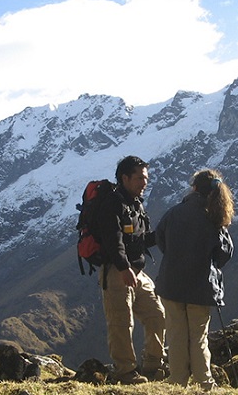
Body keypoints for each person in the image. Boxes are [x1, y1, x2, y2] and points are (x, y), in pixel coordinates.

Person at [155, 169, 235, 391]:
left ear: (194, 188)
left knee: (176, 334)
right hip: (200, 286)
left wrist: (175, 258)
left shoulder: (174, 212)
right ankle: (204, 383)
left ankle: (177, 381)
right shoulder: (214, 218)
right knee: (198, 336)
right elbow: (224, 253)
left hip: (171, 284)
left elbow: (160, 239)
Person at [96, 155, 166, 384]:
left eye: (145, 178)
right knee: (121, 323)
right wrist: (124, 267)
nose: (144, 182)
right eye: (139, 178)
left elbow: (140, 239)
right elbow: (112, 240)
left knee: (157, 314)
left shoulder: (136, 204)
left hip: (136, 271)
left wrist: (164, 235)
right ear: (124, 178)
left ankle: (154, 365)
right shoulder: (113, 204)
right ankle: (125, 372)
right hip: (117, 271)